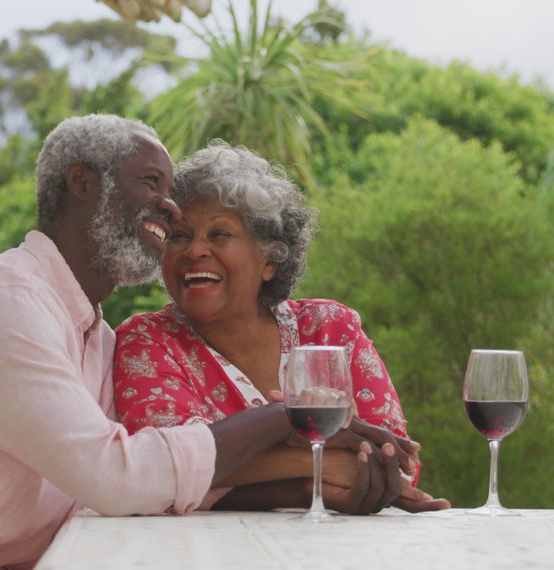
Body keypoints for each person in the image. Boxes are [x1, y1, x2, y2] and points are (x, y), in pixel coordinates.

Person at [0, 115, 395, 570]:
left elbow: (155, 480)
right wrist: (293, 415)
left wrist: (308, 487)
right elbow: (118, 479)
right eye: (152, 183)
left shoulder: (91, 333)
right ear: (83, 183)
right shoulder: (1, 300)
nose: (171, 208)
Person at [113, 141, 450, 513]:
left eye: (219, 234)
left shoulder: (331, 328)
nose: (195, 251)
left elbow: (394, 462)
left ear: (269, 259)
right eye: (179, 236)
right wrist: (316, 468)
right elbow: (164, 471)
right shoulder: (145, 342)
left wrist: (240, 467)